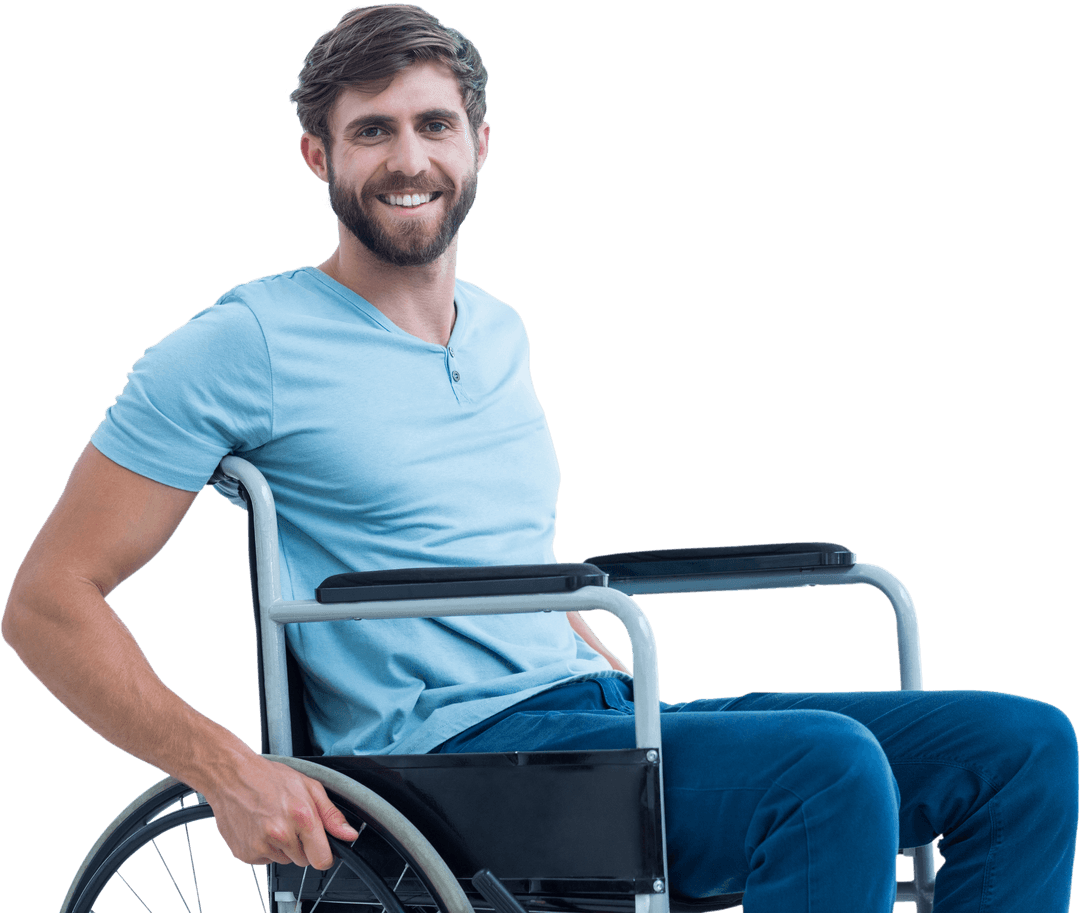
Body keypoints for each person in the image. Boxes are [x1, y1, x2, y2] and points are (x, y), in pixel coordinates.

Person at [3, 6, 1077, 911]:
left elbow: (502, 554)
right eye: (372, 131)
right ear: (319, 157)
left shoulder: (499, 329)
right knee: (823, 770)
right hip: (452, 760)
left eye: (433, 125)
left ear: (479, 144)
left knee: (1022, 748)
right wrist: (227, 769)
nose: (409, 159)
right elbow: (47, 602)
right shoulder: (247, 342)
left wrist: (604, 666)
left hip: (590, 711)